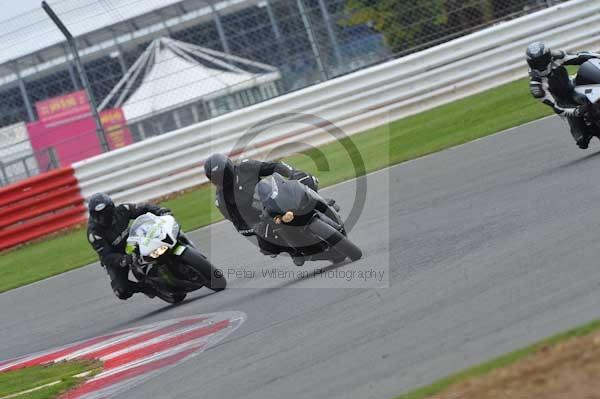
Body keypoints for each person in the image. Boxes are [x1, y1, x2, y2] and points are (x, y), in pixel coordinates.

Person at [203, 154, 321, 263]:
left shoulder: (246, 167)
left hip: (274, 197)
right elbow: (238, 222)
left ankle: (322, 203)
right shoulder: (222, 199)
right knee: (266, 245)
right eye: (217, 177)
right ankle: (294, 251)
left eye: (223, 173)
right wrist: (254, 228)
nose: (222, 178)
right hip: (262, 218)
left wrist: (291, 172)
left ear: (229, 166)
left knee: (306, 181)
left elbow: (274, 166)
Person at [86, 192, 171, 300]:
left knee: (160, 234)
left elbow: (143, 208)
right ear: (93, 216)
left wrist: (159, 210)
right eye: (99, 215)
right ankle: (145, 287)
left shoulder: (122, 210)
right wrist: (123, 260)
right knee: (121, 291)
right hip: (116, 256)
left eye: (106, 213)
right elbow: (106, 256)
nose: (103, 218)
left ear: (112, 209)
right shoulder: (94, 233)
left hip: (133, 241)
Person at [526, 41, 600, 149]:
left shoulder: (557, 57)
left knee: (587, 96)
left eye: (542, 61)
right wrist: (576, 111)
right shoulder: (537, 87)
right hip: (563, 103)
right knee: (582, 140)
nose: (540, 65)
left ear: (548, 56)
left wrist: (597, 56)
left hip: (572, 87)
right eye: (536, 63)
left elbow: (581, 56)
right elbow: (556, 107)